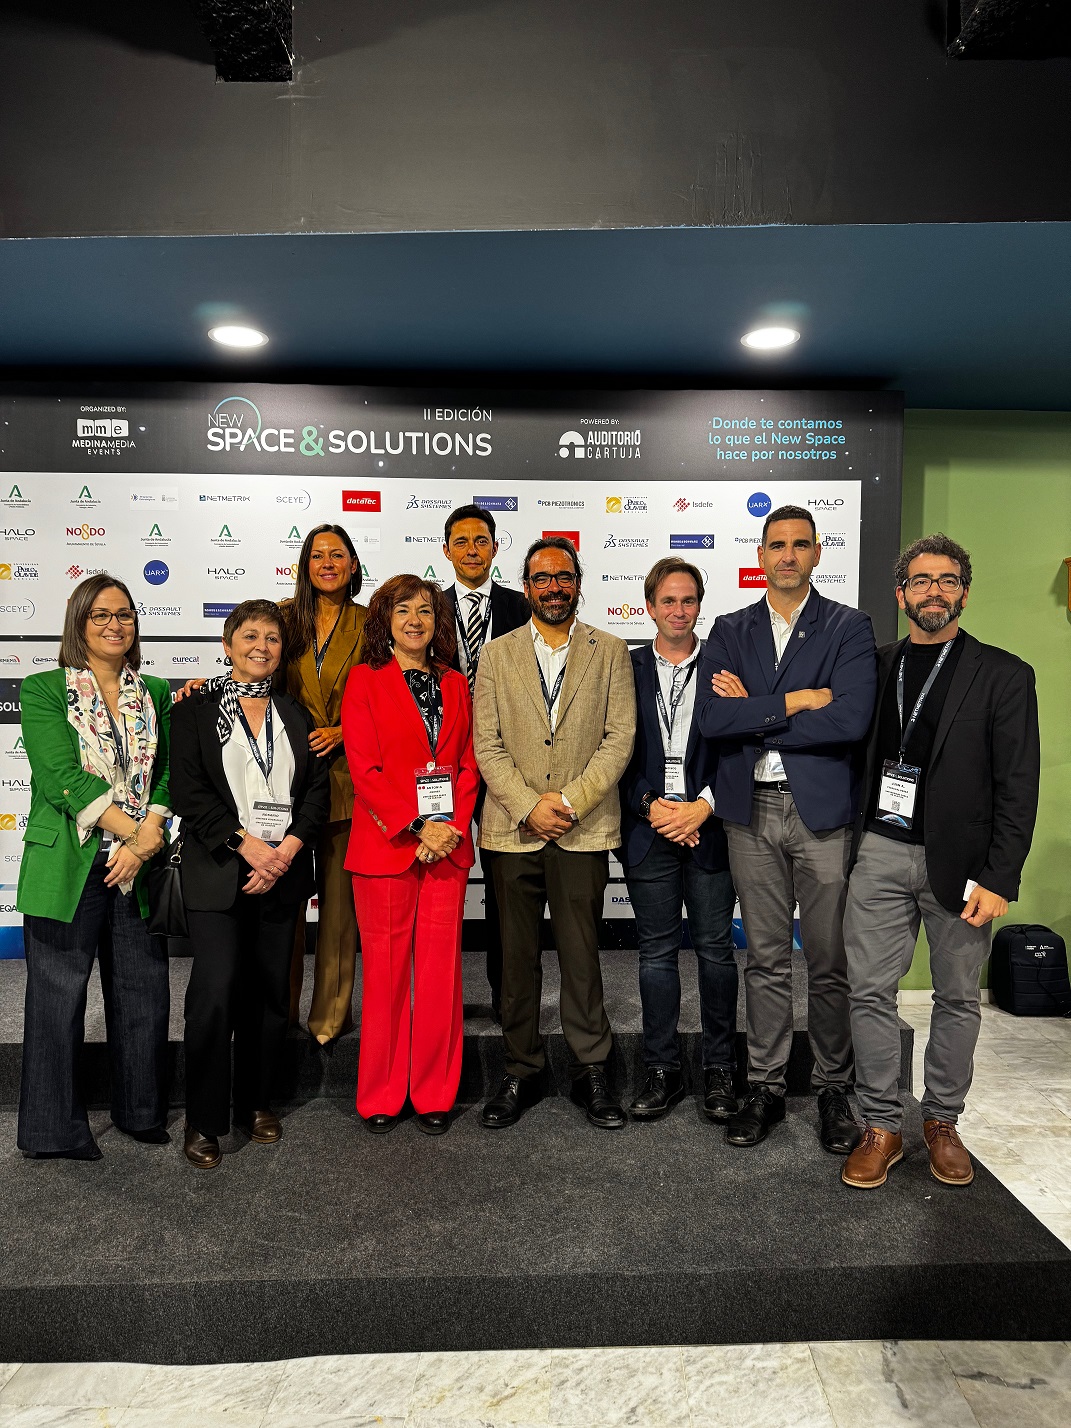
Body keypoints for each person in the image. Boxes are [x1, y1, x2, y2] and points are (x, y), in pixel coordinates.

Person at [841, 535, 1040, 1190]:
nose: (935, 591)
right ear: (901, 594)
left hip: (963, 864)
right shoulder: (875, 665)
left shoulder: (1004, 674)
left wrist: (1000, 876)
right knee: (868, 991)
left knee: (957, 996)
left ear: (964, 593)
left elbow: (1018, 784)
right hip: (879, 849)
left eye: (947, 580)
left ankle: (942, 1121)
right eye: (922, 580)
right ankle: (880, 1125)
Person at [694, 505, 876, 1152]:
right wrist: (797, 701)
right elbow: (714, 720)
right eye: (777, 545)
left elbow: (850, 721)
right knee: (765, 959)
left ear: (817, 552)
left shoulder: (848, 626)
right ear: (761, 554)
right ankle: (765, 1086)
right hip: (750, 813)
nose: (788, 556)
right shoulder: (729, 628)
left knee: (827, 961)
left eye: (800, 544)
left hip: (820, 812)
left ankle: (832, 1088)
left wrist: (755, 712)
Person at [473, 536, 636, 1129]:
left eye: (563, 577)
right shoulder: (496, 655)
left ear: (578, 583)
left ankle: (592, 1069)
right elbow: (486, 744)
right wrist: (527, 806)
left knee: (581, 958)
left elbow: (619, 738)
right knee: (516, 962)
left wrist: (566, 802)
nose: (553, 588)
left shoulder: (610, 650)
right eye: (541, 579)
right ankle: (522, 1067)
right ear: (526, 588)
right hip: (512, 831)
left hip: (581, 828)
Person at [16, 573, 171, 1160]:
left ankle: (141, 1112)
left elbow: (167, 771)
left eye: (125, 614)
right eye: (101, 614)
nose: (115, 624)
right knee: (57, 1001)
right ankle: (52, 1130)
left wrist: (148, 835)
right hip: (69, 865)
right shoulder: (44, 689)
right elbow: (61, 777)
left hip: (138, 867)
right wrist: (134, 830)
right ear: (78, 622)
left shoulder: (154, 690)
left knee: (143, 992)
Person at [170, 599, 330, 1169]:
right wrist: (248, 847)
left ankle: (258, 1101)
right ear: (227, 643)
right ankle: (204, 1117)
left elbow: (316, 793)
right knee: (214, 994)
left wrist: (284, 853)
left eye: (272, 638)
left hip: (281, 874)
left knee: (269, 995)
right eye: (250, 635)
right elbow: (189, 793)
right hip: (218, 872)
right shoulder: (194, 709)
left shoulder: (295, 714)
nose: (261, 646)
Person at [341, 575, 479, 1135]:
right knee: (386, 976)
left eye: (426, 610)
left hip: (446, 848)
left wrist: (448, 829)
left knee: (441, 975)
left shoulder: (455, 683)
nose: (415, 620)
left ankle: (434, 1092)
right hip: (387, 847)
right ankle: (381, 1093)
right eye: (403, 610)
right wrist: (419, 825)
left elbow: (468, 764)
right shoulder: (364, 680)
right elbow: (365, 769)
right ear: (385, 620)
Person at [619, 558, 738, 1123]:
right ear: (649, 607)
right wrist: (652, 807)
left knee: (715, 951)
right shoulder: (625, 667)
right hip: (649, 829)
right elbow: (613, 750)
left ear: (700, 606)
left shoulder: (724, 664)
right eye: (668, 600)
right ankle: (662, 1069)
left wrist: (701, 808)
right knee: (656, 954)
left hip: (708, 828)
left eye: (688, 600)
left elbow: (739, 747)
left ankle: (720, 1068)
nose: (678, 610)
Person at [280, 524, 368, 1043]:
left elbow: (388, 697)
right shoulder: (282, 618)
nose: (328, 563)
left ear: (353, 564)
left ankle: (330, 1017)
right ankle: (281, 1011)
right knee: (282, 905)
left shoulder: (371, 622)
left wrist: (346, 731)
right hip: (283, 780)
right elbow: (252, 677)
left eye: (338, 554)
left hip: (347, 779)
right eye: (318, 555)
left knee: (339, 908)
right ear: (305, 565)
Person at [441, 504, 530, 1020]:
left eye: (481, 541)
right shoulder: (426, 609)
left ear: (496, 548)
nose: (472, 550)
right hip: (441, 768)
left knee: (504, 890)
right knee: (438, 883)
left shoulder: (523, 606)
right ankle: (440, 1001)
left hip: (506, 766)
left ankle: (506, 999)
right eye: (462, 541)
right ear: (446, 550)